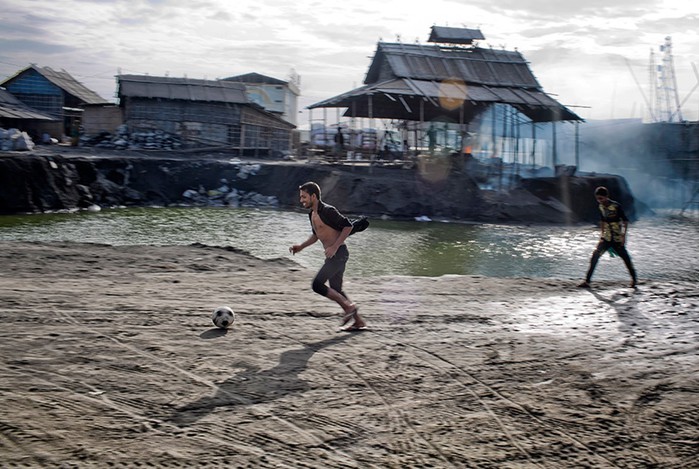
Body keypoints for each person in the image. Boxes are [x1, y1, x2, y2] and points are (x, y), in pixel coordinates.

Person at [289, 182, 367, 330]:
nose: (301, 200)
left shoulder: (328, 211)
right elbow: (316, 236)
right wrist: (301, 247)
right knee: (336, 289)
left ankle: (349, 307)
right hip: (334, 256)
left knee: (317, 285)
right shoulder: (312, 214)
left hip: (339, 254)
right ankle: (358, 321)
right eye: (300, 197)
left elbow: (348, 226)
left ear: (313, 196)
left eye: (304, 197)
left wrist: (334, 247)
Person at [579, 186, 638, 288]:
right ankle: (587, 281)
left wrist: (624, 236)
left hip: (616, 238)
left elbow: (625, 220)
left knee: (626, 259)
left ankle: (634, 280)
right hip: (606, 238)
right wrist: (601, 235)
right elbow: (602, 221)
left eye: (601, 198)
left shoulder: (616, 206)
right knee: (595, 257)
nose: (599, 201)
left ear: (607, 196)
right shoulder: (601, 207)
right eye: (597, 199)